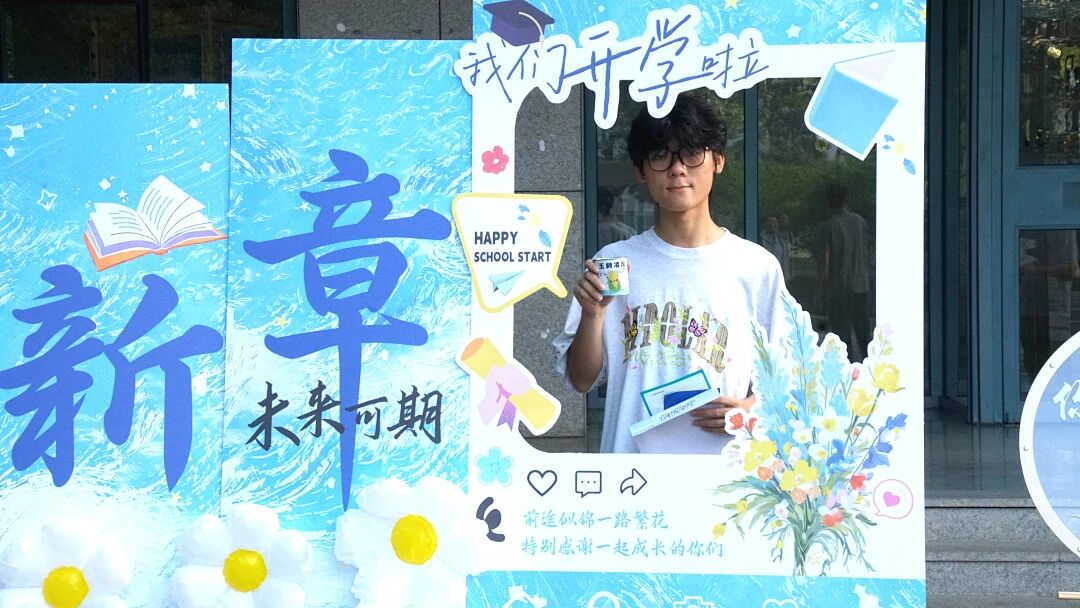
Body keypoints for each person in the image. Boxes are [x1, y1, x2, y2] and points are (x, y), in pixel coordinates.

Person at [552, 94, 789, 454]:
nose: (677, 169)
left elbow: (789, 376)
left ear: (718, 161)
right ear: (641, 170)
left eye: (692, 153)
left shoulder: (756, 267)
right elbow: (582, 379)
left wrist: (749, 411)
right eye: (661, 155)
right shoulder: (615, 263)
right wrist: (593, 315)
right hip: (631, 472)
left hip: (723, 471)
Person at [814, 184, 872, 361]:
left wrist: (818, 292)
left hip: (838, 289)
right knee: (863, 334)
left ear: (828, 201)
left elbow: (824, 262)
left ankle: (848, 371)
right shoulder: (860, 222)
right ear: (847, 200)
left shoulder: (827, 227)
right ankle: (869, 368)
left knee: (842, 338)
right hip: (861, 286)